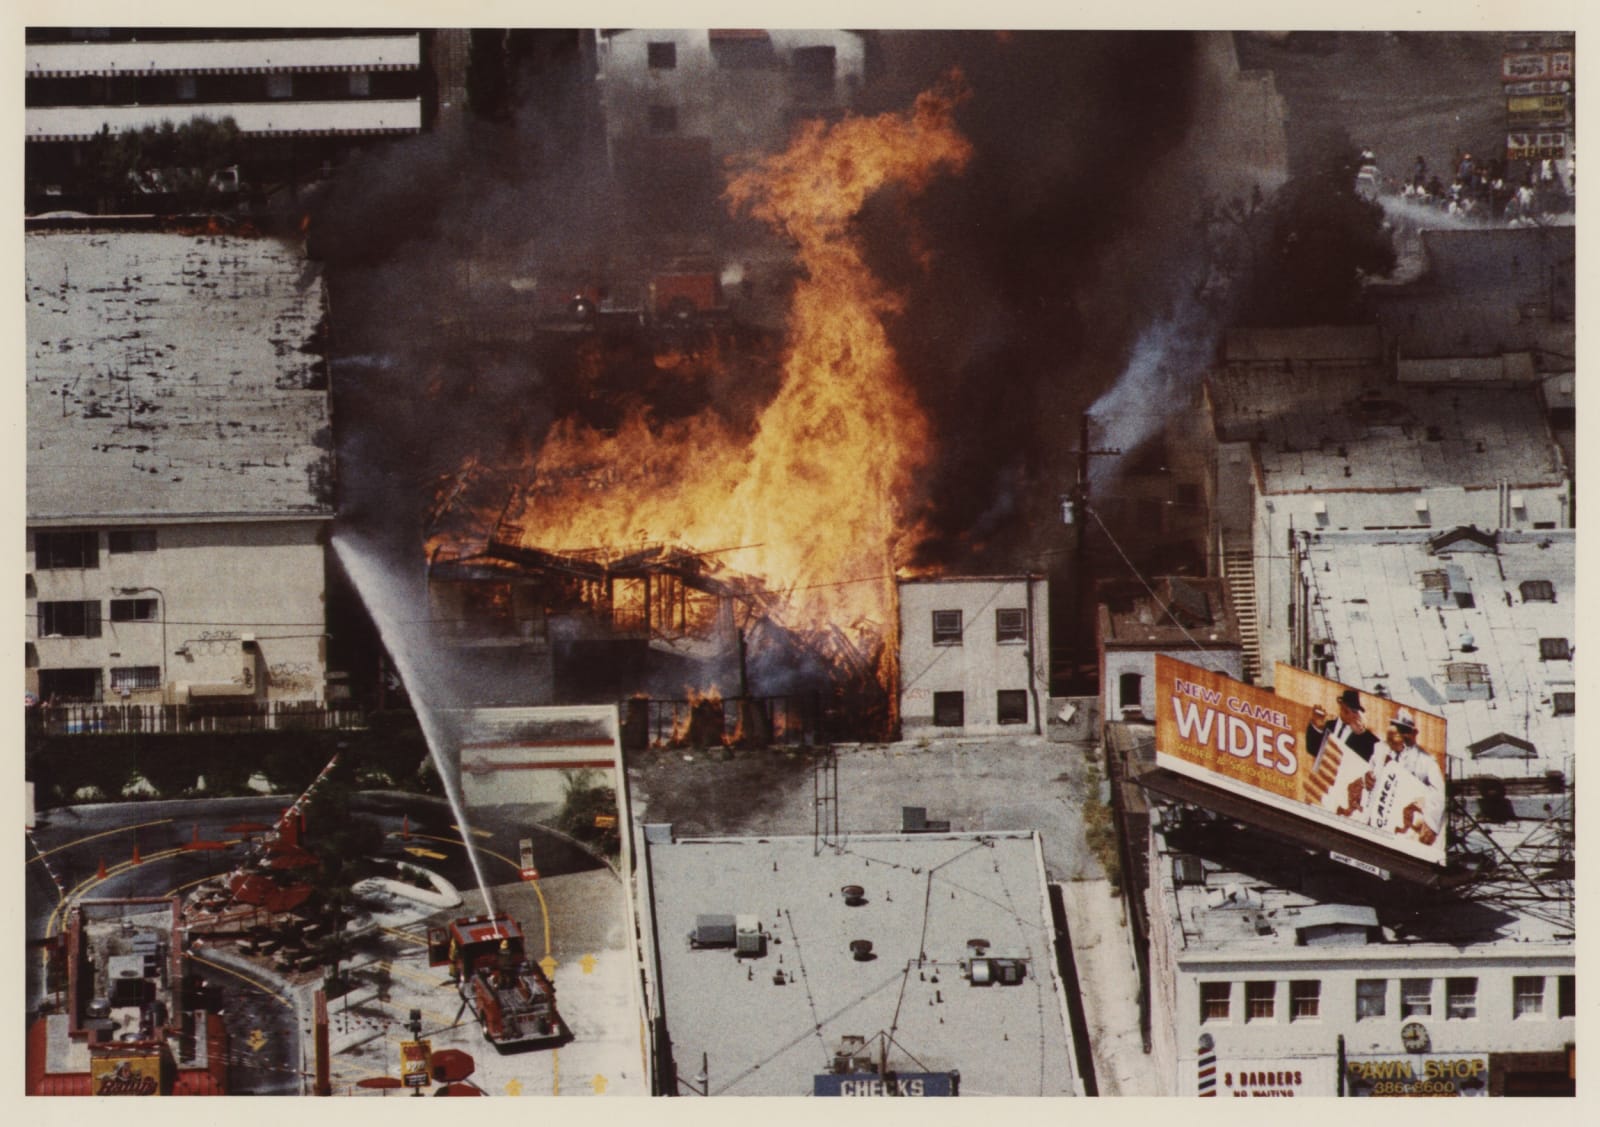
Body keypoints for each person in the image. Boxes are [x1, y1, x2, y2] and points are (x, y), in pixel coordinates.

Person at [1390, 709, 1446, 846]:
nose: (1402, 735)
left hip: (1412, 820)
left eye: (1405, 731)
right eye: (1399, 731)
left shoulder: (1426, 761)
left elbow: (1439, 794)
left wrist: (1429, 825)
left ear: (1414, 733)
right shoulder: (1388, 754)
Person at [1305, 687, 1380, 764]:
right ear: (1342, 707)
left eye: (1355, 712)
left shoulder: (1364, 736)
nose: (1354, 715)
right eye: (1348, 710)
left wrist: (1361, 735)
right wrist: (1316, 726)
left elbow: (1369, 758)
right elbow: (1312, 749)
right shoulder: (1328, 725)